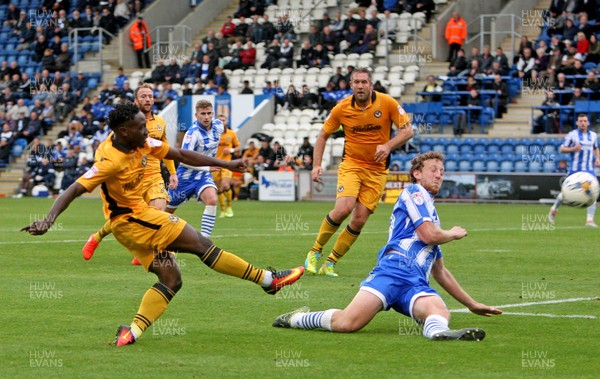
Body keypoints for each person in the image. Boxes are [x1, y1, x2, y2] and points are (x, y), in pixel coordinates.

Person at [22, 102, 304, 347]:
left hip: (131, 225)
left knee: (172, 280)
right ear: (124, 131)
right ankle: (268, 280)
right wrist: (48, 219)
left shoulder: (141, 142)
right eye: (141, 127)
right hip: (133, 220)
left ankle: (131, 332)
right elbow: (74, 188)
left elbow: (180, 155)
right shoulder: (109, 160)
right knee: (201, 244)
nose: (147, 131)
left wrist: (226, 164)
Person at [275, 152, 501, 340]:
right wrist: (452, 233)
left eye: (442, 171)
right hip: (394, 270)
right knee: (347, 323)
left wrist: (472, 304)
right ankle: (295, 318)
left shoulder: (430, 213)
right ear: (417, 173)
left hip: (414, 281)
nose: (439, 175)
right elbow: (429, 235)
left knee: (438, 309)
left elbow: (440, 270)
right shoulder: (414, 192)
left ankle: (440, 334)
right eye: (433, 169)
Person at [305, 67, 414, 277]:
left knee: (359, 220)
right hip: (352, 165)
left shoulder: (387, 103)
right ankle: (315, 251)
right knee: (344, 207)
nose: (361, 86)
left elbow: (408, 130)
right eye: (356, 82)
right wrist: (316, 165)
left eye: (364, 81)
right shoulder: (341, 108)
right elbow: (322, 135)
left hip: (377, 171)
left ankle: (331, 262)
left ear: (371, 84)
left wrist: (388, 146)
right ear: (351, 85)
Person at [82, 84, 178, 264]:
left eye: (150, 96)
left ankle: (148, 250)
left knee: (157, 211)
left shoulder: (160, 123)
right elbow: (112, 147)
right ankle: (96, 237)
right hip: (132, 176)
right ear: (136, 100)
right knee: (124, 216)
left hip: (154, 175)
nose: (148, 99)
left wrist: (172, 173)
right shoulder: (126, 123)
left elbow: (166, 150)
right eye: (143, 96)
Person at [166, 100, 223, 238]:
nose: (206, 117)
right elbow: (184, 160)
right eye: (203, 114)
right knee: (164, 214)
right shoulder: (192, 134)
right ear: (196, 115)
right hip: (185, 178)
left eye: (209, 113)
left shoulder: (219, 126)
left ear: (213, 114)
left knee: (211, 200)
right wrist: (207, 167)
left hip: (203, 176)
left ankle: (204, 241)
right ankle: (146, 244)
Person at [549, 113, 600, 227]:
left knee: (593, 192)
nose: (583, 123)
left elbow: (596, 148)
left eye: (585, 121)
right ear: (577, 123)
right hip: (575, 171)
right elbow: (562, 149)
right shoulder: (572, 135)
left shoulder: (593, 135)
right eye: (580, 121)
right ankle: (553, 210)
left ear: (588, 123)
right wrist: (573, 149)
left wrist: (597, 158)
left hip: (588, 170)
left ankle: (590, 220)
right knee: (565, 194)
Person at [213, 114, 240, 218]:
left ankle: (229, 207)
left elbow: (238, 147)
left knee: (225, 185)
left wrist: (231, 150)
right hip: (215, 163)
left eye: (223, 120)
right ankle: (223, 210)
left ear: (226, 122)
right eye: (219, 120)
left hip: (227, 164)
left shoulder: (232, 134)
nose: (222, 122)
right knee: (219, 188)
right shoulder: (212, 134)